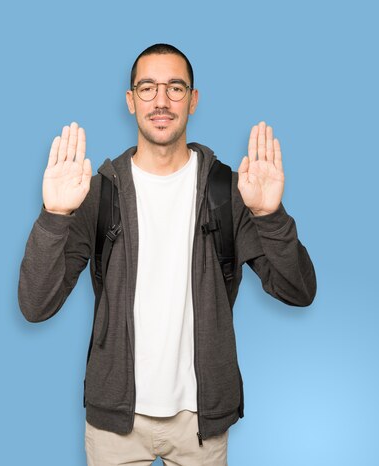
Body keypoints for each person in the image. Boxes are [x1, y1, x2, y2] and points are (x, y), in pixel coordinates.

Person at [18, 43, 316, 466]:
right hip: (113, 425)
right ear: (130, 100)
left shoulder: (229, 192)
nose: (161, 100)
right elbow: (35, 305)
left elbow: (298, 290)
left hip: (201, 423)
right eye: (148, 88)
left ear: (194, 100)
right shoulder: (97, 193)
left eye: (175, 88)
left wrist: (269, 215)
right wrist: (54, 215)